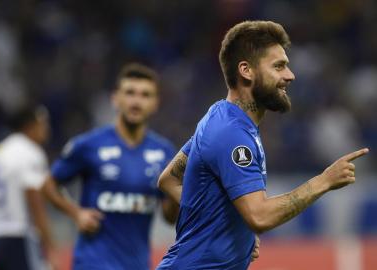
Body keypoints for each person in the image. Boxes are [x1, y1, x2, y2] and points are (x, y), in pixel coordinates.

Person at [156, 20, 369, 269]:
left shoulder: (219, 115)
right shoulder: (232, 133)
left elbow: (168, 179)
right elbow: (259, 216)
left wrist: (229, 226)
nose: (290, 75)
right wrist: (323, 181)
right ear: (246, 70)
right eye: (278, 66)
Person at [41, 63, 178, 270]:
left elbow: (168, 218)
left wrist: (177, 191)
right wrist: (76, 213)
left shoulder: (165, 152)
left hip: (137, 264)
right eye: (130, 93)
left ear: (155, 103)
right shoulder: (89, 145)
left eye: (145, 95)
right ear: (116, 99)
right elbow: (49, 185)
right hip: (93, 262)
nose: (136, 101)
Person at [0, 104, 57, 270]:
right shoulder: (29, 151)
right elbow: (33, 197)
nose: (47, 129)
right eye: (43, 123)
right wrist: (50, 245)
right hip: (18, 236)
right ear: (30, 125)